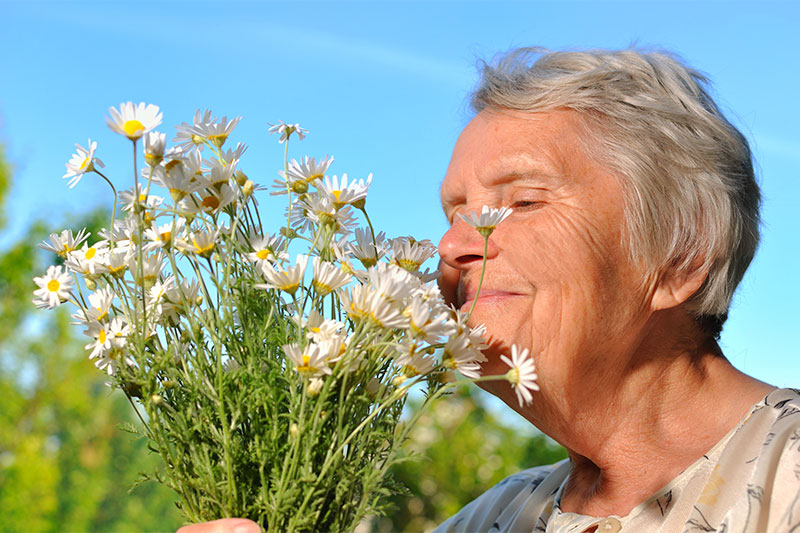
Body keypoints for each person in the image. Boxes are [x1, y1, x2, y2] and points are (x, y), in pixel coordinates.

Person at [180, 47, 800, 533]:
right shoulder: (496, 518)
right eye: (454, 214)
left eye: (523, 202)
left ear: (679, 256)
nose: (450, 248)